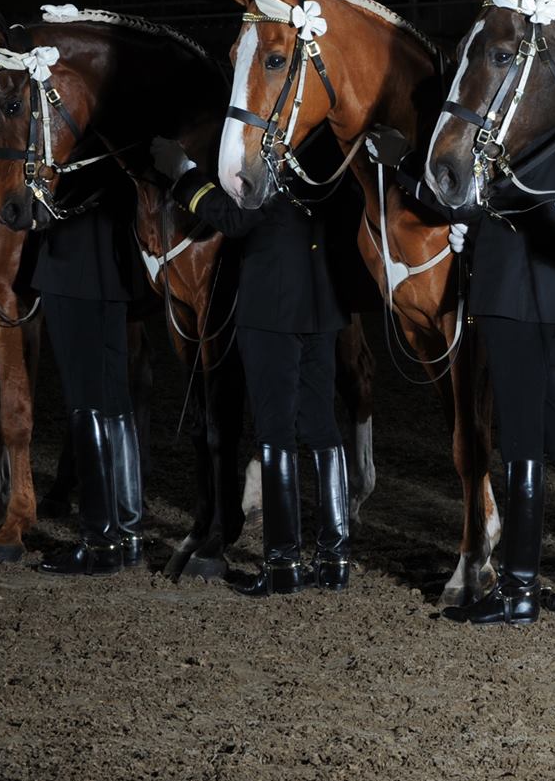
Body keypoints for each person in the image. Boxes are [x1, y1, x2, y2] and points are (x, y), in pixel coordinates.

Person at [153, 131, 354, 596]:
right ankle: (333, 558)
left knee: (275, 433)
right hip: (322, 304)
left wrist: (183, 175)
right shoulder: (329, 148)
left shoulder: (276, 151)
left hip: (272, 308)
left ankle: (282, 562)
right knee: (323, 429)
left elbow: (235, 218)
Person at [444, 122, 555, 626]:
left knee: (520, 443)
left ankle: (519, 587)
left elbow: (497, 192)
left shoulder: (518, 126)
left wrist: (468, 218)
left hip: (510, 292)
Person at [32, 177, 147, 577]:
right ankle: (128, 532)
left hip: (72, 268)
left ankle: (100, 541)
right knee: (115, 404)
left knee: (86, 405)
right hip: (111, 270)